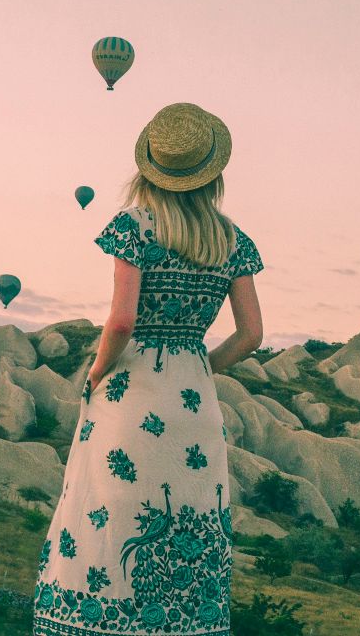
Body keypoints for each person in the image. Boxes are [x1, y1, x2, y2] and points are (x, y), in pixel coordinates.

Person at [32, 101, 266, 635]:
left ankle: (100, 622)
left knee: (108, 513)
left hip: (132, 394)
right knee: (190, 516)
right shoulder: (232, 240)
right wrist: (202, 366)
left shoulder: (134, 227)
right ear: (212, 175)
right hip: (194, 400)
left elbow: (120, 322)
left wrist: (95, 373)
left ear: (149, 172)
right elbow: (252, 334)